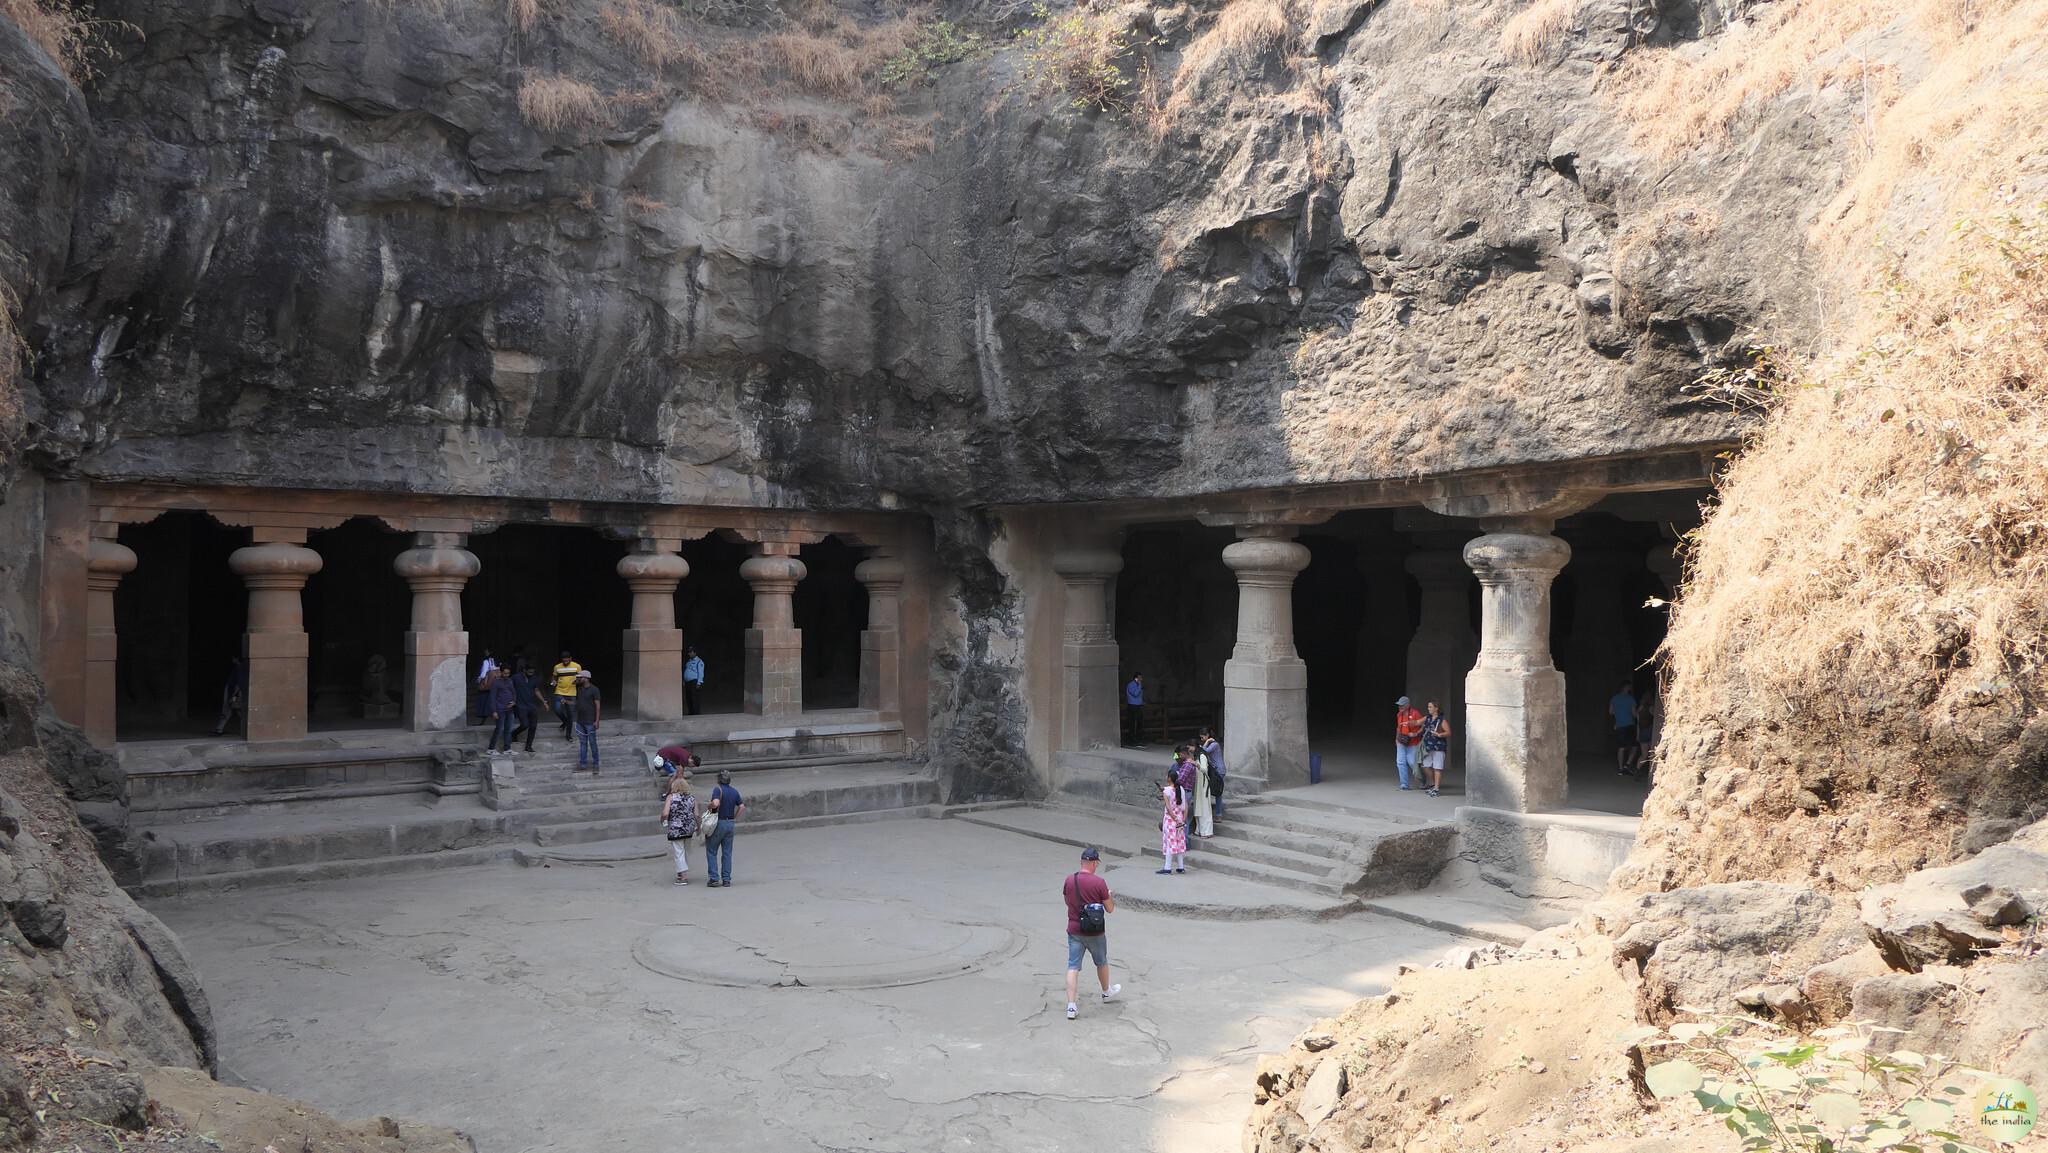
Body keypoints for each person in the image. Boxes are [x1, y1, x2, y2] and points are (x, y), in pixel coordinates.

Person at [1062, 847, 1120, 1020]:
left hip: (1074, 930)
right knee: (1101, 962)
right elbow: (1110, 909)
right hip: (1095, 932)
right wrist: (1108, 896)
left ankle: (1071, 1006)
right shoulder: (1099, 883)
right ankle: (1106, 991)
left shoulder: (1069, 880)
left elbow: (1067, 901)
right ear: (1094, 863)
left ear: (1082, 862)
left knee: (1073, 966)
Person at [703, 769, 745, 887]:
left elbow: (716, 803)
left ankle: (714, 878)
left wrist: (710, 805)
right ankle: (726, 879)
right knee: (727, 852)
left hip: (718, 823)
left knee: (711, 851)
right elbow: (742, 807)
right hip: (730, 823)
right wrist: (734, 817)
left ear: (719, 779)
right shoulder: (734, 791)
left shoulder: (718, 789)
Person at [661, 773, 699, 886]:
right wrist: (698, 827)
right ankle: (681, 871)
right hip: (689, 828)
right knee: (684, 851)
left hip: (676, 828)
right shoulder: (692, 798)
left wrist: (662, 819)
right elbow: (696, 815)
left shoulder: (671, 797)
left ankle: (683, 877)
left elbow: (665, 813)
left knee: (678, 851)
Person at [1420, 700, 1452, 798]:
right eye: (1428, 706)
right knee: (1425, 766)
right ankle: (1434, 784)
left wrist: (1439, 734)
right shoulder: (1428, 718)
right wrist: (1410, 723)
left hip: (1438, 747)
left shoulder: (1442, 720)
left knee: (1437, 767)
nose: (1428, 708)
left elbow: (1448, 732)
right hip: (1428, 747)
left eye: (1430, 707)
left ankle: (1436, 789)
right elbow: (1418, 722)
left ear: (1436, 708)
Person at [1157, 774, 1188, 874]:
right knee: (1178, 842)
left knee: (1170, 842)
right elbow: (1185, 806)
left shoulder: (1167, 792)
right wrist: (1182, 820)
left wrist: (1174, 818)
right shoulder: (1181, 789)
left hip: (1170, 820)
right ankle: (1181, 867)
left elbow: (1169, 807)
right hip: (1180, 819)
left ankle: (1167, 868)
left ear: (1169, 778)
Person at [573, 669, 603, 773]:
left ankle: (596, 764)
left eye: (580, 677)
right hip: (580, 721)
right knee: (582, 743)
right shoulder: (579, 689)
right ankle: (583, 764)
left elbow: (597, 706)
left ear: (586, 678)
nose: (578, 679)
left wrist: (597, 720)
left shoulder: (594, 690)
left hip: (590, 721)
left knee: (592, 743)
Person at [510, 660, 543, 753]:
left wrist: (543, 701)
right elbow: (509, 687)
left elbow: (536, 690)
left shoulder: (534, 678)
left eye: (533, 672)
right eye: (529, 672)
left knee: (533, 726)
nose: (531, 674)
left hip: (531, 705)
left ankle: (529, 746)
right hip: (520, 705)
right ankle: (513, 734)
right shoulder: (516, 678)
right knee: (525, 724)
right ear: (524, 670)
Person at [1610, 679, 1641, 776]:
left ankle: (1620, 769)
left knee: (1621, 747)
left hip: (1619, 725)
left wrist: (1619, 715)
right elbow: (1634, 714)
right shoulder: (1630, 699)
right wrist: (1640, 713)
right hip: (1629, 725)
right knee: (1635, 746)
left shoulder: (1614, 698)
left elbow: (1610, 711)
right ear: (1627, 687)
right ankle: (1627, 765)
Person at [1394, 695, 1425, 790]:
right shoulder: (1399, 715)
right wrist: (1396, 739)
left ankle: (1422, 780)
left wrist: (1416, 733)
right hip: (1401, 742)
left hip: (1413, 742)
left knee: (1412, 763)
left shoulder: (1415, 713)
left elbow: (1424, 725)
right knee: (1400, 762)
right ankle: (1404, 784)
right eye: (1399, 705)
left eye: (1402, 705)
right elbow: (1398, 728)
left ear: (1408, 705)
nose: (1400, 707)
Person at [550, 651, 582, 741]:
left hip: (572, 693)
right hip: (559, 691)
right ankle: (565, 721)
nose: (565, 661)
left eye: (567, 659)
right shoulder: (557, 667)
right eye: (564, 660)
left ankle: (568, 735)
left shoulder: (577, 666)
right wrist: (553, 682)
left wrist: (577, 682)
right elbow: (554, 677)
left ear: (570, 658)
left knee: (571, 714)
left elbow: (580, 678)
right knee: (557, 709)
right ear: (562, 660)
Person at [212, 657, 247, 736]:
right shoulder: (239, 668)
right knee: (235, 710)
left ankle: (219, 729)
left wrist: (234, 694)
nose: (232, 659)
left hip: (233, 691)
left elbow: (239, 683)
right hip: (234, 691)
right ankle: (219, 729)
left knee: (232, 709)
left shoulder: (240, 668)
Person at [486, 667, 518, 754]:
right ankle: (491, 748)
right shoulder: (496, 682)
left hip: (509, 709)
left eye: (508, 673)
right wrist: (494, 711)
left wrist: (514, 702)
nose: (506, 675)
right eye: (505, 673)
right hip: (500, 709)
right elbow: (492, 697)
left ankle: (507, 749)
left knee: (508, 729)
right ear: (501, 672)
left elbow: (514, 692)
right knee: (499, 728)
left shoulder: (510, 681)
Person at [1199, 726, 1225, 820]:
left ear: (1208, 736)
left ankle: (1218, 814)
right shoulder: (1212, 744)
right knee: (1213, 791)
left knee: (1217, 792)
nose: (1201, 739)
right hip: (1215, 770)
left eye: (1203, 737)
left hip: (1219, 770)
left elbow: (1203, 751)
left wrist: (1206, 743)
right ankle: (1216, 814)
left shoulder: (1214, 744)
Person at [1192, 736, 1214, 839]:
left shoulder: (1202, 756)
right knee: (1199, 807)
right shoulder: (1196, 754)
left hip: (1204, 785)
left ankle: (1207, 831)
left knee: (1205, 808)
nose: (1189, 749)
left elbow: (1205, 769)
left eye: (1190, 747)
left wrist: (1197, 765)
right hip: (1199, 785)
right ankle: (1199, 830)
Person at [471, 648, 498, 725]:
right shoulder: (494, 661)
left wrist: (478, 680)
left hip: (486, 685)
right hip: (492, 684)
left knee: (483, 702)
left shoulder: (486, 661)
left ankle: (483, 719)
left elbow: (483, 673)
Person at [1123, 674, 1145, 747]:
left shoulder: (1139, 685)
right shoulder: (1131, 685)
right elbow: (1135, 694)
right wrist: (1139, 686)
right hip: (1132, 706)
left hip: (1139, 705)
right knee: (1132, 724)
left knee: (1140, 723)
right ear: (1136, 678)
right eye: (1139, 678)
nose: (1141, 679)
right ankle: (1132, 741)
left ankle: (1139, 740)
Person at [683, 647, 706, 716]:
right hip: (688, 682)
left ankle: (696, 713)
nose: (689, 653)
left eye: (691, 652)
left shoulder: (699, 662)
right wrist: (684, 680)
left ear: (695, 653)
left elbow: (701, 673)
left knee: (694, 698)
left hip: (694, 681)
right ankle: (691, 712)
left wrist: (699, 683)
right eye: (689, 652)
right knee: (688, 698)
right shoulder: (689, 662)